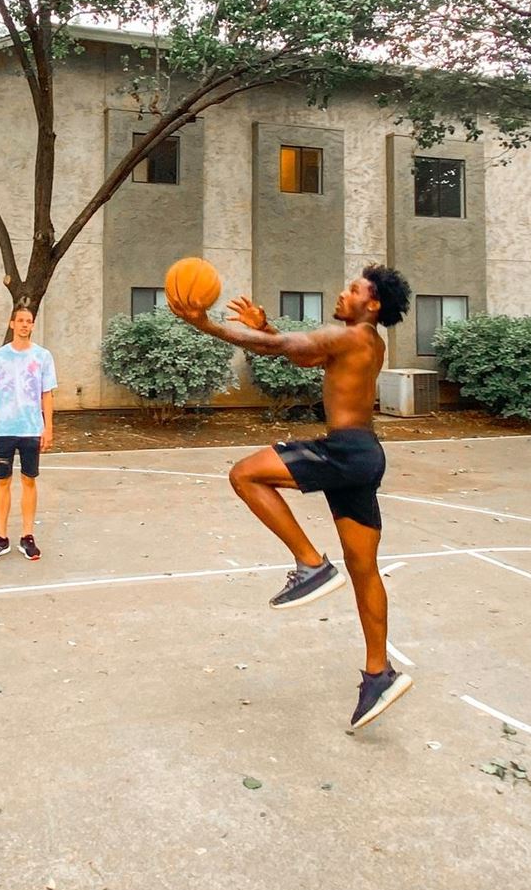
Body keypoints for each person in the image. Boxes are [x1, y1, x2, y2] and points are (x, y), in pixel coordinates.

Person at [170, 265, 414, 730]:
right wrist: (265, 327)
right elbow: (303, 355)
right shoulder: (367, 342)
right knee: (363, 570)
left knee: (245, 475)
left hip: (345, 451)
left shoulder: (352, 336)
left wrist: (206, 325)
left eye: (354, 289)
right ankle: (379, 674)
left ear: (372, 304)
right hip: (363, 456)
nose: (342, 292)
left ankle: (311, 564)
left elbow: (280, 348)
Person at [0, 303, 56, 563]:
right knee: (2, 481)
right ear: (12, 324)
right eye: (20, 320)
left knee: (28, 480)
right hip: (4, 429)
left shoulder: (42, 356)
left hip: (31, 428)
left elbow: (47, 394)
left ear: (32, 325)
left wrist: (48, 427)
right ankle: (1, 538)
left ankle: (27, 536)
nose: (24, 325)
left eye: (29, 321)